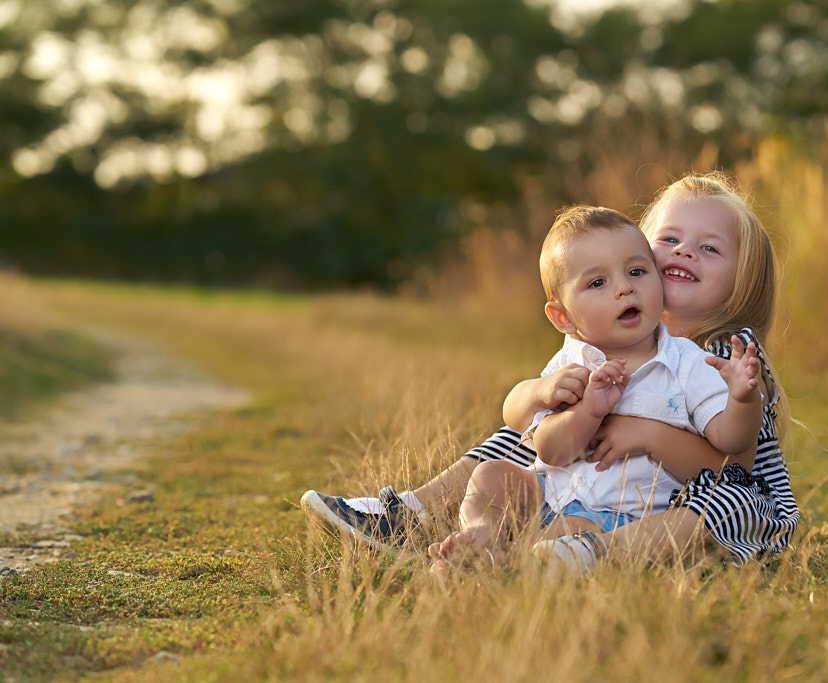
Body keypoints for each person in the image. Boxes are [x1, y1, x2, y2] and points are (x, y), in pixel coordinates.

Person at [301, 172, 799, 571]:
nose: (685, 252)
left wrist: (647, 433)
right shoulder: (606, 340)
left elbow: (733, 464)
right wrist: (544, 393)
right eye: (669, 239)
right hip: (592, 489)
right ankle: (414, 514)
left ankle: (589, 554)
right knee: (525, 433)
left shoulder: (729, 352)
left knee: (725, 505)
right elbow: (520, 419)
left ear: (743, 279)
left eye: (709, 248)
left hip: (722, 494)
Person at [424, 204, 762, 568]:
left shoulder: (688, 362)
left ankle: (511, 566)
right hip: (546, 496)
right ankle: (482, 533)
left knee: (570, 530)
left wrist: (743, 399)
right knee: (491, 474)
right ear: (564, 318)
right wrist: (587, 412)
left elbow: (731, 446)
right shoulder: (568, 365)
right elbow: (550, 452)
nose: (624, 288)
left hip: (617, 516)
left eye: (636, 272)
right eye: (598, 283)